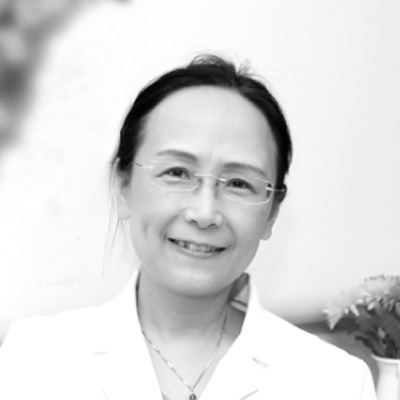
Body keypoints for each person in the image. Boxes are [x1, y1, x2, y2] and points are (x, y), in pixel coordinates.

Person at [0, 54, 376, 400]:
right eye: (177, 172)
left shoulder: (335, 382)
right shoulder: (34, 359)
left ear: (272, 212)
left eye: (239, 183)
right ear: (123, 186)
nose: (204, 212)